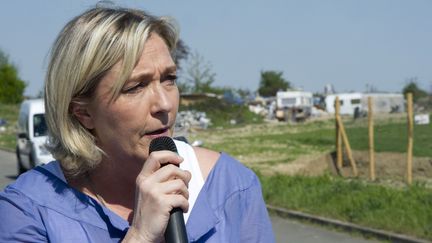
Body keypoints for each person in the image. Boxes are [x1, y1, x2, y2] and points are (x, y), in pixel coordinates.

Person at [0, 5, 274, 243]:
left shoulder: (230, 186)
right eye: (136, 87)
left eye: (169, 79)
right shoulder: (29, 209)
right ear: (83, 113)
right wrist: (140, 235)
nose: (164, 104)